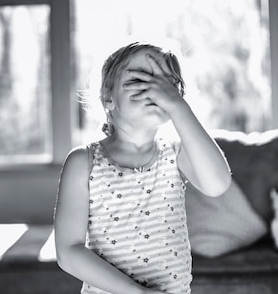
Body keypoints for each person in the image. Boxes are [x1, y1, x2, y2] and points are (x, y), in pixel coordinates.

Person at [53, 41, 232, 294]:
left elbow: (218, 184)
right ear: (108, 97)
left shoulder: (176, 153)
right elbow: (68, 251)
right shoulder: (84, 162)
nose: (157, 90)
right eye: (141, 79)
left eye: (168, 84)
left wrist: (178, 106)